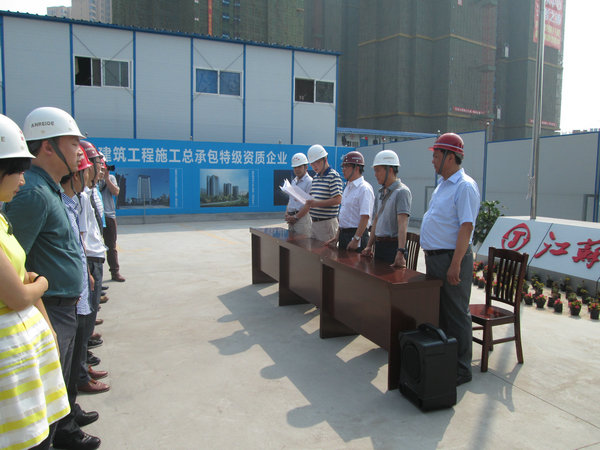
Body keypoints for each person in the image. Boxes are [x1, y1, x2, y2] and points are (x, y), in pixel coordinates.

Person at [4, 107, 101, 450]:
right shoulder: (32, 193)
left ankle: (65, 426)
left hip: (63, 303)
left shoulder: (49, 188)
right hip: (49, 307)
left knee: (61, 378)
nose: (79, 151)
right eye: (73, 143)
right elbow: (16, 259)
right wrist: (41, 288)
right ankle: (59, 434)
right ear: (48, 146)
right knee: (49, 383)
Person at [0, 114, 70, 450]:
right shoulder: (33, 196)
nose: (22, 179)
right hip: (9, 359)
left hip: (23, 348)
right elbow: (17, 293)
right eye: (16, 170)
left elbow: (19, 272)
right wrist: (41, 283)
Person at [420, 133, 481, 386]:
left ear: (450, 157)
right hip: (436, 258)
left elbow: (466, 227)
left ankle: (462, 368)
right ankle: (446, 360)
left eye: (436, 156)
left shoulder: (465, 186)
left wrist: (455, 264)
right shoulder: (443, 185)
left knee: (456, 314)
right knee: (442, 313)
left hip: (451, 259)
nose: (433, 160)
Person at [60, 147, 110, 399]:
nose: (99, 170)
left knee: (85, 323)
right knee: (80, 327)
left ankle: (82, 368)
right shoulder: (73, 198)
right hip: (86, 260)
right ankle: (80, 375)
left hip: (92, 256)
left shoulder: (85, 194)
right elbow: (79, 236)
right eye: (96, 165)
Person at [361, 150, 412, 267]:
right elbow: (376, 220)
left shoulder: (402, 192)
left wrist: (401, 251)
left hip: (393, 247)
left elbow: (402, 224)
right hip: (380, 246)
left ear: (390, 170)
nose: (375, 174)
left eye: (378, 170)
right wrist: (369, 246)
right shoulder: (380, 192)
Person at [326, 151, 374, 251]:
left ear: (356, 168)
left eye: (346, 166)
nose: (343, 169)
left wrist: (356, 239)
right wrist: (337, 236)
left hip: (357, 236)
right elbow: (344, 216)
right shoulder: (348, 187)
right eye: (343, 166)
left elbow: (365, 217)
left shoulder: (364, 189)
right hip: (344, 235)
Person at [299, 144, 343, 242]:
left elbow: (338, 199)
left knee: (326, 251)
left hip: (327, 224)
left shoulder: (333, 176)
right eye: (312, 164)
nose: (314, 166)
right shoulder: (315, 177)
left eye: (317, 162)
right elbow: (313, 197)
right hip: (314, 223)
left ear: (325, 159)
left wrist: (316, 204)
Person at [97, 154, 125, 282]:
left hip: (109, 216)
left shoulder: (111, 178)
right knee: (94, 248)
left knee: (111, 246)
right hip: (96, 217)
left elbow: (116, 192)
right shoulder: (93, 178)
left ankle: (115, 272)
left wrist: (107, 178)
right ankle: (96, 277)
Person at [284, 152, 312, 236]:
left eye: (299, 166)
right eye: (295, 167)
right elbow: (291, 199)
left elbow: (309, 205)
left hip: (302, 220)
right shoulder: (294, 181)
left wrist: (296, 217)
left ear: (306, 167)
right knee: (291, 243)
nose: (297, 169)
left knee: (302, 243)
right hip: (291, 219)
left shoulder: (309, 182)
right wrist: (287, 213)